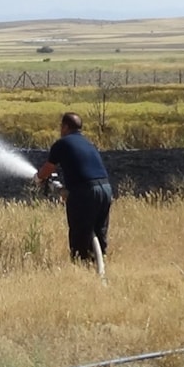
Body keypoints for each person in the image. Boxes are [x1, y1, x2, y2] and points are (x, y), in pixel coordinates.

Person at [33, 112, 113, 262]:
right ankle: (99, 266)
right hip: (105, 189)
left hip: (86, 192)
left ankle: (81, 269)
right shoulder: (89, 143)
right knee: (99, 233)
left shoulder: (61, 144)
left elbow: (48, 168)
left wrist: (38, 178)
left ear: (65, 127)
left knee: (80, 237)